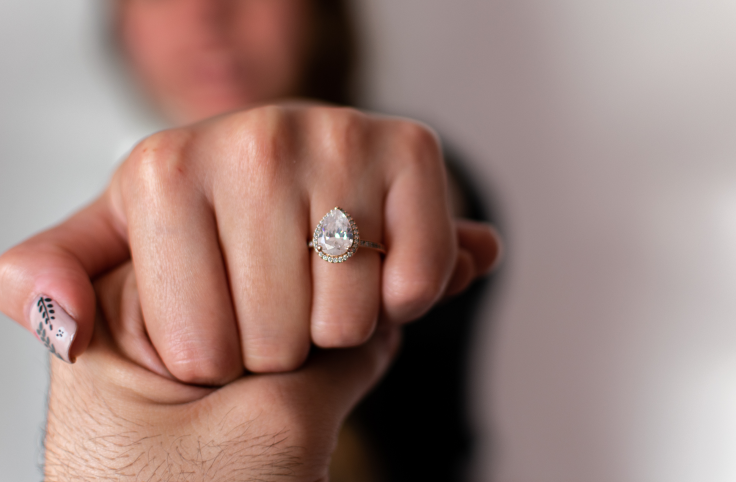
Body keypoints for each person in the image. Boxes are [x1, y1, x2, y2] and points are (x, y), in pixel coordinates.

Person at [0, 0, 501, 479]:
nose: (206, 12)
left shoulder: (410, 176)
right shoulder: (84, 200)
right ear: (120, 28)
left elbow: (433, 198)